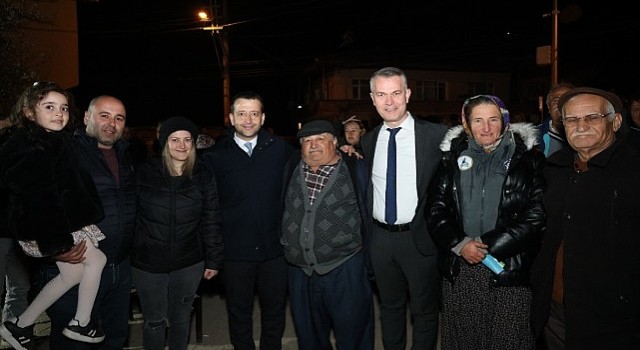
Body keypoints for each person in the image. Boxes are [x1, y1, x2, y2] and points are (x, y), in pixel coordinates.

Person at [426, 95, 546, 350]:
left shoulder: (529, 160)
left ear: (504, 121)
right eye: (478, 120)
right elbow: (436, 210)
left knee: (507, 340)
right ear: (467, 124)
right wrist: (461, 244)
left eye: (493, 119)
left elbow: (536, 216)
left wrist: (487, 244)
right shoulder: (450, 161)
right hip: (461, 267)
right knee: (464, 341)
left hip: (508, 268)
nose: (487, 127)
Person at [0, 82, 108, 350]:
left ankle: (19, 324)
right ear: (28, 112)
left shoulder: (52, 140)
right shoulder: (30, 147)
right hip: (49, 228)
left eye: (63, 108)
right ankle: (81, 323)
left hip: (58, 224)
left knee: (72, 275)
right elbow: (38, 199)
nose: (59, 113)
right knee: (98, 260)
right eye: (49, 107)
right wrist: (56, 244)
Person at [530, 87, 640, 349]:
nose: (581, 126)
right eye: (572, 120)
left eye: (592, 118)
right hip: (555, 311)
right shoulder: (553, 169)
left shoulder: (634, 170)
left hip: (615, 317)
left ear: (615, 121)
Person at [359, 66, 447, 350]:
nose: (389, 102)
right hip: (381, 240)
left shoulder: (437, 136)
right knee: (390, 308)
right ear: (372, 98)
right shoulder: (368, 140)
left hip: (419, 238)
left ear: (407, 94)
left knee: (424, 311)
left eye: (396, 93)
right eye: (381, 95)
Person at [40, 94, 137, 350]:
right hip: (79, 268)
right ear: (86, 118)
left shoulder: (126, 156)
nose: (111, 123)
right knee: (71, 344)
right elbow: (33, 202)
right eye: (104, 115)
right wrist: (54, 248)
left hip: (119, 269)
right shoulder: (65, 151)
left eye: (119, 118)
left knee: (114, 339)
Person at [203, 91, 293, 349]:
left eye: (254, 113)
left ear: (263, 118)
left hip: (275, 251)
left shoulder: (282, 151)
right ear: (231, 118)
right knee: (239, 314)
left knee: (274, 314)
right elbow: (210, 208)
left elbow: (313, 166)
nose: (248, 119)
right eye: (241, 113)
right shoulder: (215, 156)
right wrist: (214, 252)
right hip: (235, 253)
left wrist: (347, 150)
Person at [281, 119, 374, 349]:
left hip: (344, 267)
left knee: (353, 333)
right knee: (309, 336)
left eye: (320, 139)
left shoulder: (356, 167)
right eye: (307, 141)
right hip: (301, 271)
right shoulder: (291, 165)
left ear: (335, 142)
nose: (313, 145)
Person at [132, 116, 223, 350]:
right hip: (148, 263)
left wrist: (213, 259)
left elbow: (211, 219)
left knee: (181, 319)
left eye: (187, 140)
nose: (182, 146)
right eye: (174, 140)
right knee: (154, 321)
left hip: (189, 261)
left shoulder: (203, 174)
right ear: (163, 142)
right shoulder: (144, 172)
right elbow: (131, 215)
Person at [0, 114, 32, 343]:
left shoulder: (18, 152)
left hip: (18, 233)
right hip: (2, 233)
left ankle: (13, 333)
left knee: (20, 286)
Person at [538, 82, 575, 157]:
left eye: (568, 100)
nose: (562, 105)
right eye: (557, 101)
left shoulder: (589, 135)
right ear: (549, 107)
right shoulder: (533, 137)